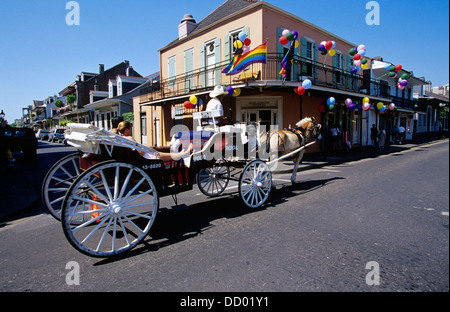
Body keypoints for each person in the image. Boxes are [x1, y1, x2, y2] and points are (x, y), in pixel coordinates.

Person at [117, 121, 193, 162]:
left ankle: (175, 149)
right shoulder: (129, 138)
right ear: (126, 130)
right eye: (130, 128)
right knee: (169, 156)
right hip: (145, 158)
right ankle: (184, 153)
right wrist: (144, 148)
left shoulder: (120, 139)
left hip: (136, 159)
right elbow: (141, 153)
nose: (131, 130)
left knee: (154, 148)